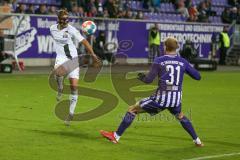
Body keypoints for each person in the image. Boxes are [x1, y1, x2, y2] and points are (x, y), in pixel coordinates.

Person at [100, 37, 204, 147]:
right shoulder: (183, 61)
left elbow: (148, 80)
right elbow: (198, 77)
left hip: (162, 97)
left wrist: (140, 76)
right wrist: (185, 65)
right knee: (180, 116)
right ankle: (197, 141)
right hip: (176, 99)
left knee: (132, 109)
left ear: (165, 47)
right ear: (176, 48)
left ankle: (115, 136)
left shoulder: (160, 60)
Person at [50, 9, 101, 125]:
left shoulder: (71, 29)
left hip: (73, 60)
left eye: (67, 19)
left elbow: (85, 42)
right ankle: (60, 87)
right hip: (61, 58)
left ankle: (70, 114)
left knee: (74, 86)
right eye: (63, 19)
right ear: (58, 19)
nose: (66, 21)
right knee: (58, 73)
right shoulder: (52, 28)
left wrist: (93, 55)